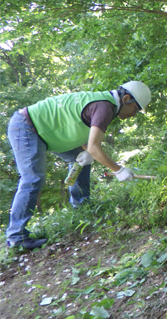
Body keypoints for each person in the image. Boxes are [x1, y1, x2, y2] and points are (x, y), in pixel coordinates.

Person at [6, 81, 151, 250]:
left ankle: (82, 208)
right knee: (33, 179)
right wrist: (118, 170)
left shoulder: (103, 103)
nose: (135, 114)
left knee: (81, 159)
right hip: (27, 127)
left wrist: (87, 151)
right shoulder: (105, 107)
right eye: (136, 109)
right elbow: (95, 147)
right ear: (126, 99)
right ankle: (17, 237)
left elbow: (80, 129)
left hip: (45, 131)